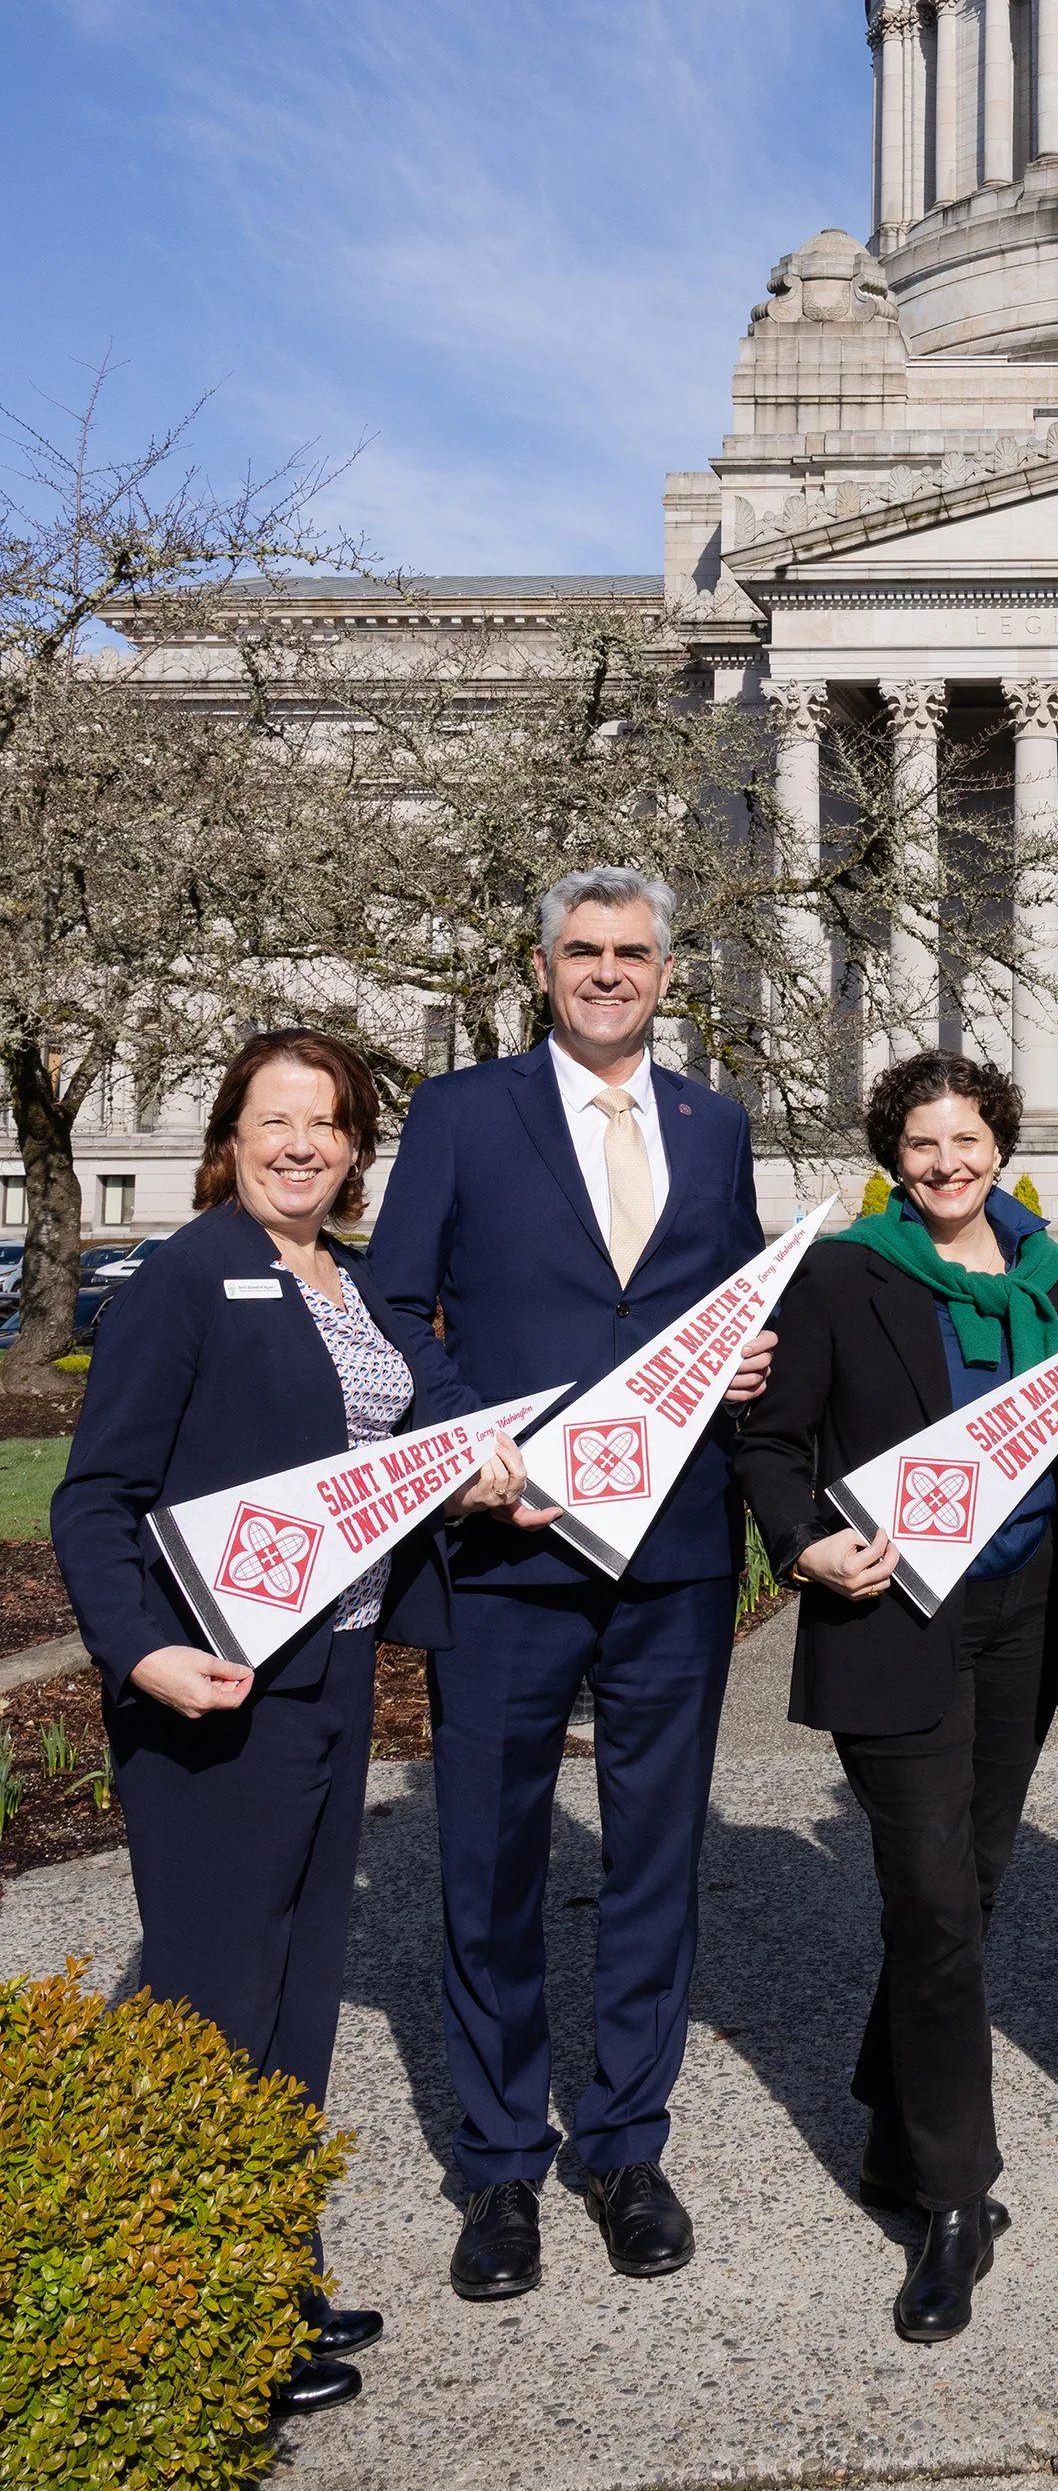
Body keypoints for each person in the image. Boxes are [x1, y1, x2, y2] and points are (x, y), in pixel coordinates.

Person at [50, 1030, 534, 2414]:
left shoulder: (353, 1285)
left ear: (355, 1146)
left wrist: (511, 1474)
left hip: (324, 1675)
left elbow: (450, 1429)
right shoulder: (184, 1278)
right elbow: (95, 1498)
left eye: (328, 1123)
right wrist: (139, 1653)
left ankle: (273, 2281)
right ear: (231, 1133)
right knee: (213, 2010)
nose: (302, 1143)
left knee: (296, 2001)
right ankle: (195, 2328)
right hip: (212, 1691)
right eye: (278, 1119)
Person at [362, 867, 775, 2306]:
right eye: (585, 952)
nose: (610, 973)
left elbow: (720, 1308)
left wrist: (747, 1361)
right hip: (509, 1541)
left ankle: (623, 2144)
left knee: (657, 1858)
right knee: (488, 1864)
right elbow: (391, 1305)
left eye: (635, 953)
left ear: (668, 971)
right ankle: (495, 2165)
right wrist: (469, 1441)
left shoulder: (712, 1126)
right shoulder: (465, 1114)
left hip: (672, 1554)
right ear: (544, 967)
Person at [736, 1051, 1058, 2342]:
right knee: (937, 1905)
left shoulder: (1053, 1282)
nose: (947, 1164)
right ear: (891, 1159)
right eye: (922, 1145)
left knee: (979, 1882)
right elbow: (771, 1443)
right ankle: (955, 2204)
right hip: (893, 1617)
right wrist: (803, 1542)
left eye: (967, 1142)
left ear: (1001, 1149)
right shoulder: (846, 1274)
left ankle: (896, 2127)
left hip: (1019, 1615)